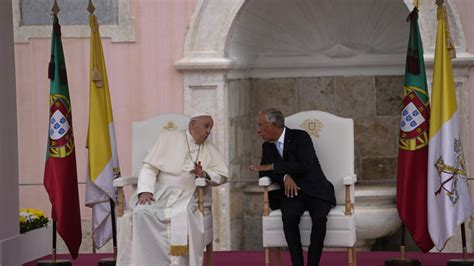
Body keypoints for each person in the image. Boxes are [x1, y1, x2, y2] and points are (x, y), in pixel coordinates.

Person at [117, 113, 228, 266]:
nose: (209, 131)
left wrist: (203, 173)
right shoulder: (168, 138)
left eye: (211, 128)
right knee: (141, 212)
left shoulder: (210, 148)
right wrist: (145, 191)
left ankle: (176, 263)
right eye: (206, 126)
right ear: (193, 124)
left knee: (181, 215)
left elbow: (222, 176)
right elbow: (149, 167)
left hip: (190, 194)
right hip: (161, 192)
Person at [250, 108, 336, 266]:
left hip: (315, 190)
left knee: (319, 219)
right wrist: (285, 177)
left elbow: (304, 165)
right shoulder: (267, 147)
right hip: (292, 194)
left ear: (273, 125)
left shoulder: (300, 137)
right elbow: (263, 173)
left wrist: (274, 167)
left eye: (261, 125)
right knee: (288, 217)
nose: (258, 130)